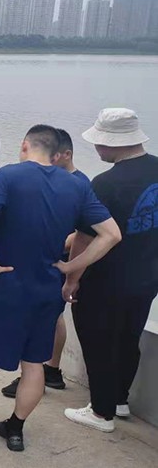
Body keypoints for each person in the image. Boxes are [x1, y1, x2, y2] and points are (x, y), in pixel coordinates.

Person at [0, 124, 120, 452]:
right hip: (47, 289)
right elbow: (111, 234)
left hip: (8, 287)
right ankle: (15, 429)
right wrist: (71, 267)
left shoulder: (8, 176)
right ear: (56, 154)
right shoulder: (77, 185)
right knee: (33, 365)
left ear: (25, 146)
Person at [63, 108, 158, 432]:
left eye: (99, 142)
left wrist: (72, 278)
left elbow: (84, 238)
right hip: (148, 277)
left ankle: (101, 413)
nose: (96, 148)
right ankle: (119, 400)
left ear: (113, 142)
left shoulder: (105, 184)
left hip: (107, 279)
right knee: (129, 337)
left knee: (97, 340)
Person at [1, 128, 89, 398]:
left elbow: (84, 233)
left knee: (50, 318)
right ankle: (49, 369)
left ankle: (43, 368)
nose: (49, 160)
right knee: (54, 317)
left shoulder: (78, 183)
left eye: (55, 156)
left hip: (57, 260)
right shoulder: (56, 180)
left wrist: (60, 252)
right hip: (49, 262)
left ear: (66, 154)